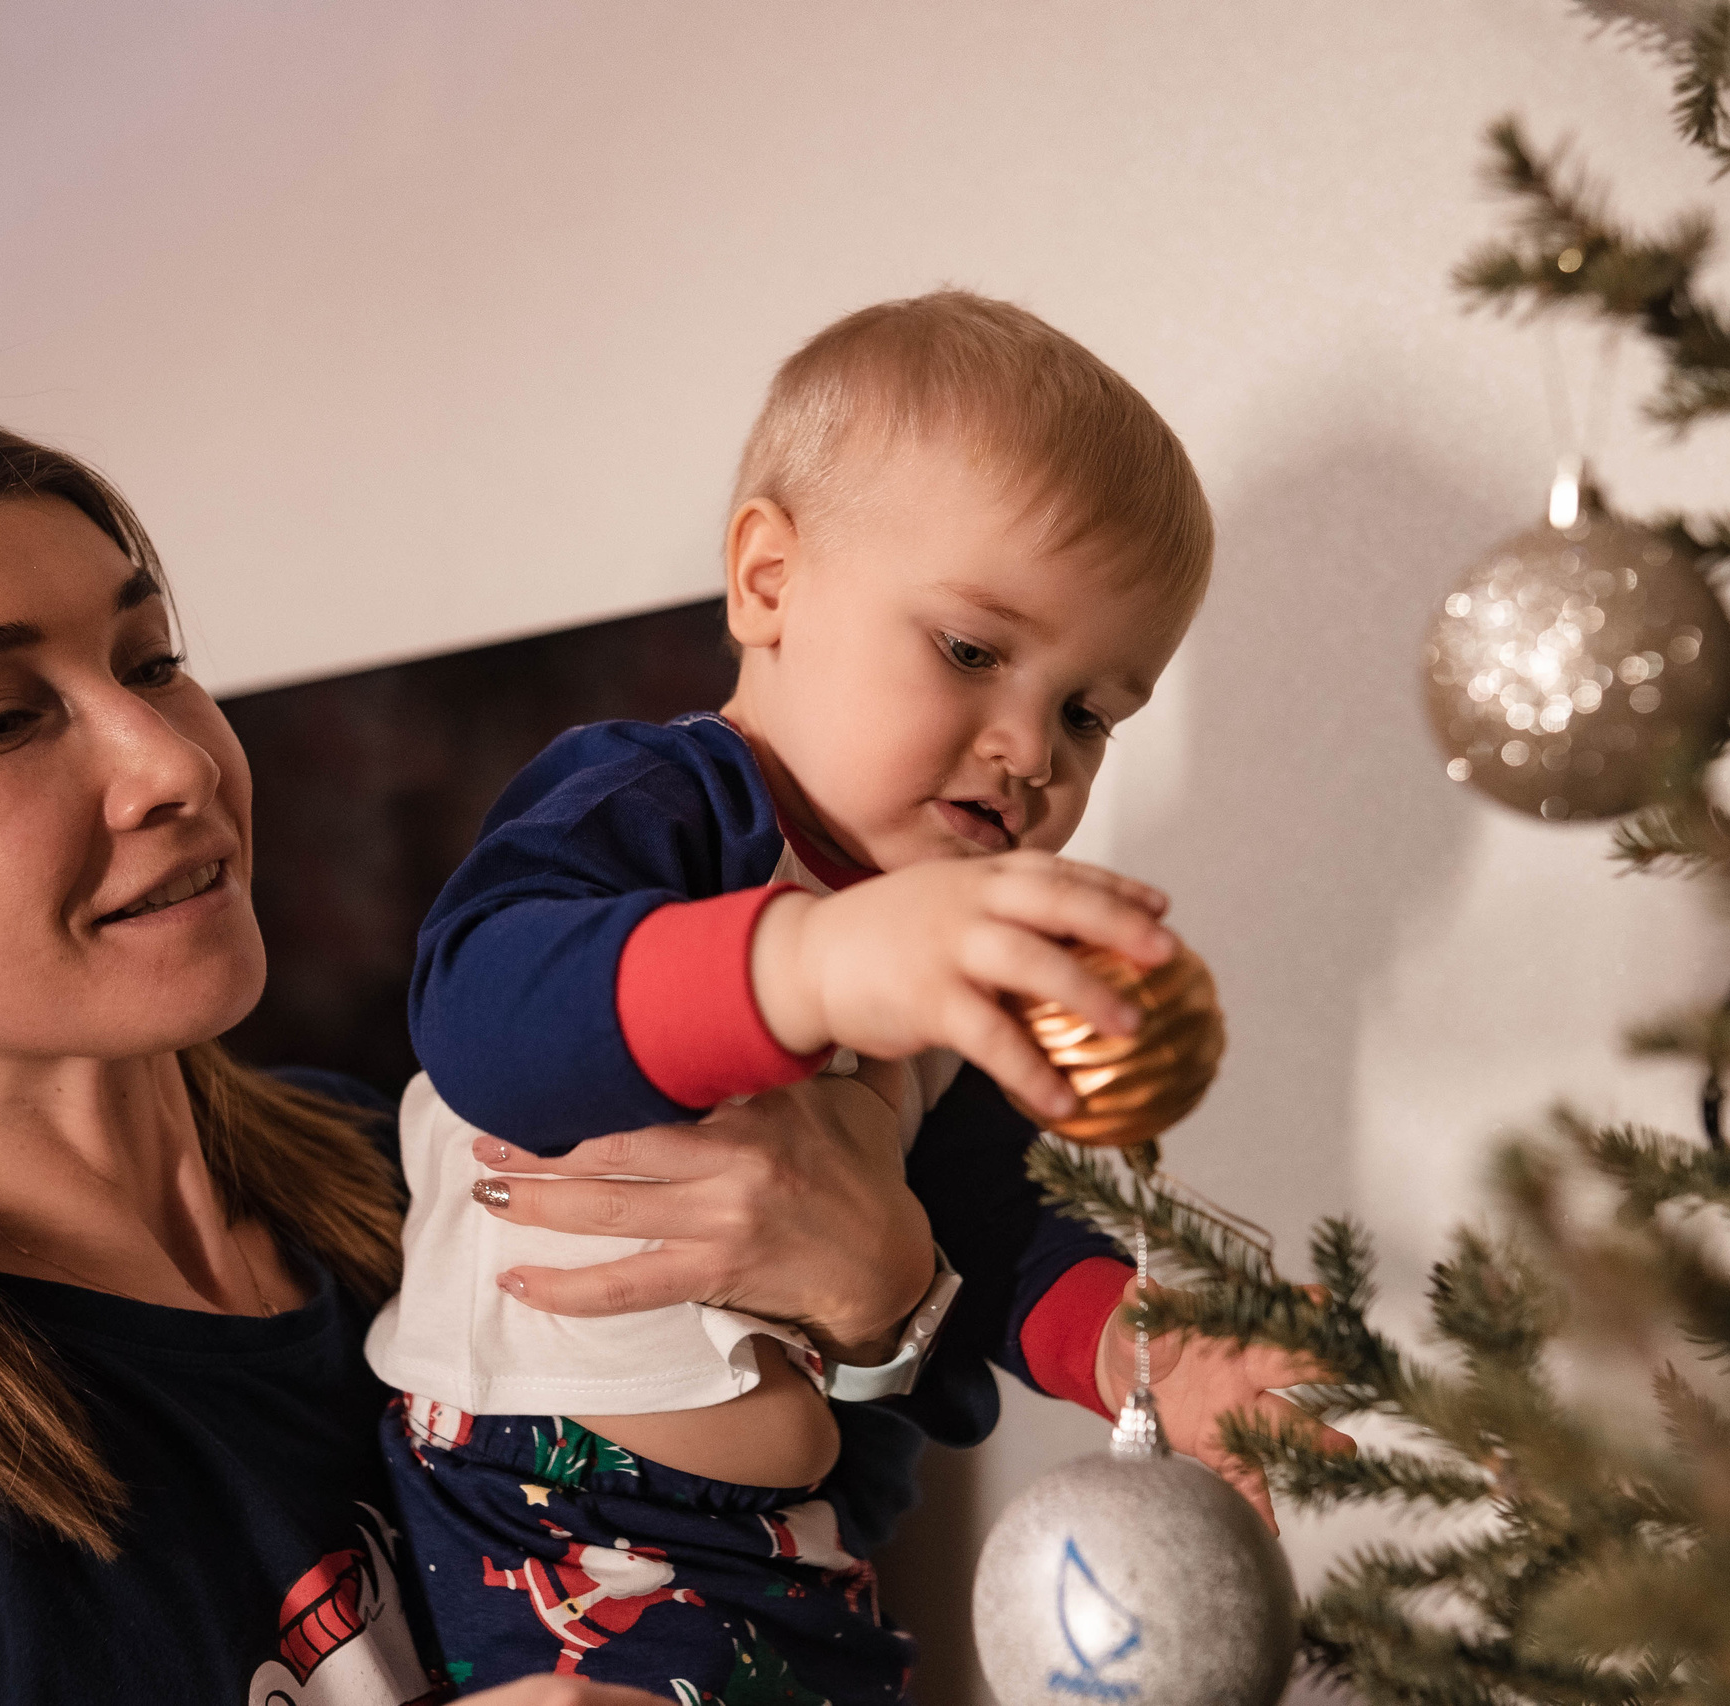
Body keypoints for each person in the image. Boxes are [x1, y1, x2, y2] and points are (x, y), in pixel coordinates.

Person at [0, 407, 956, 1705]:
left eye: (154, 659)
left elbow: (801, 1539)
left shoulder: (408, 1167)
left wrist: (879, 1301)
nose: (179, 760)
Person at [370, 292, 1348, 1699]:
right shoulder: (665, 802)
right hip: (555, 1525)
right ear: (768, 580)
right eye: (971, 649)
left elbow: (986, 1219)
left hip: (794, 1552)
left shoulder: (941, 943)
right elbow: (485, 1014)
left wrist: (1139, 1345)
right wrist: (818, 962)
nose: (1028, 750)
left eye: (1088, 713)